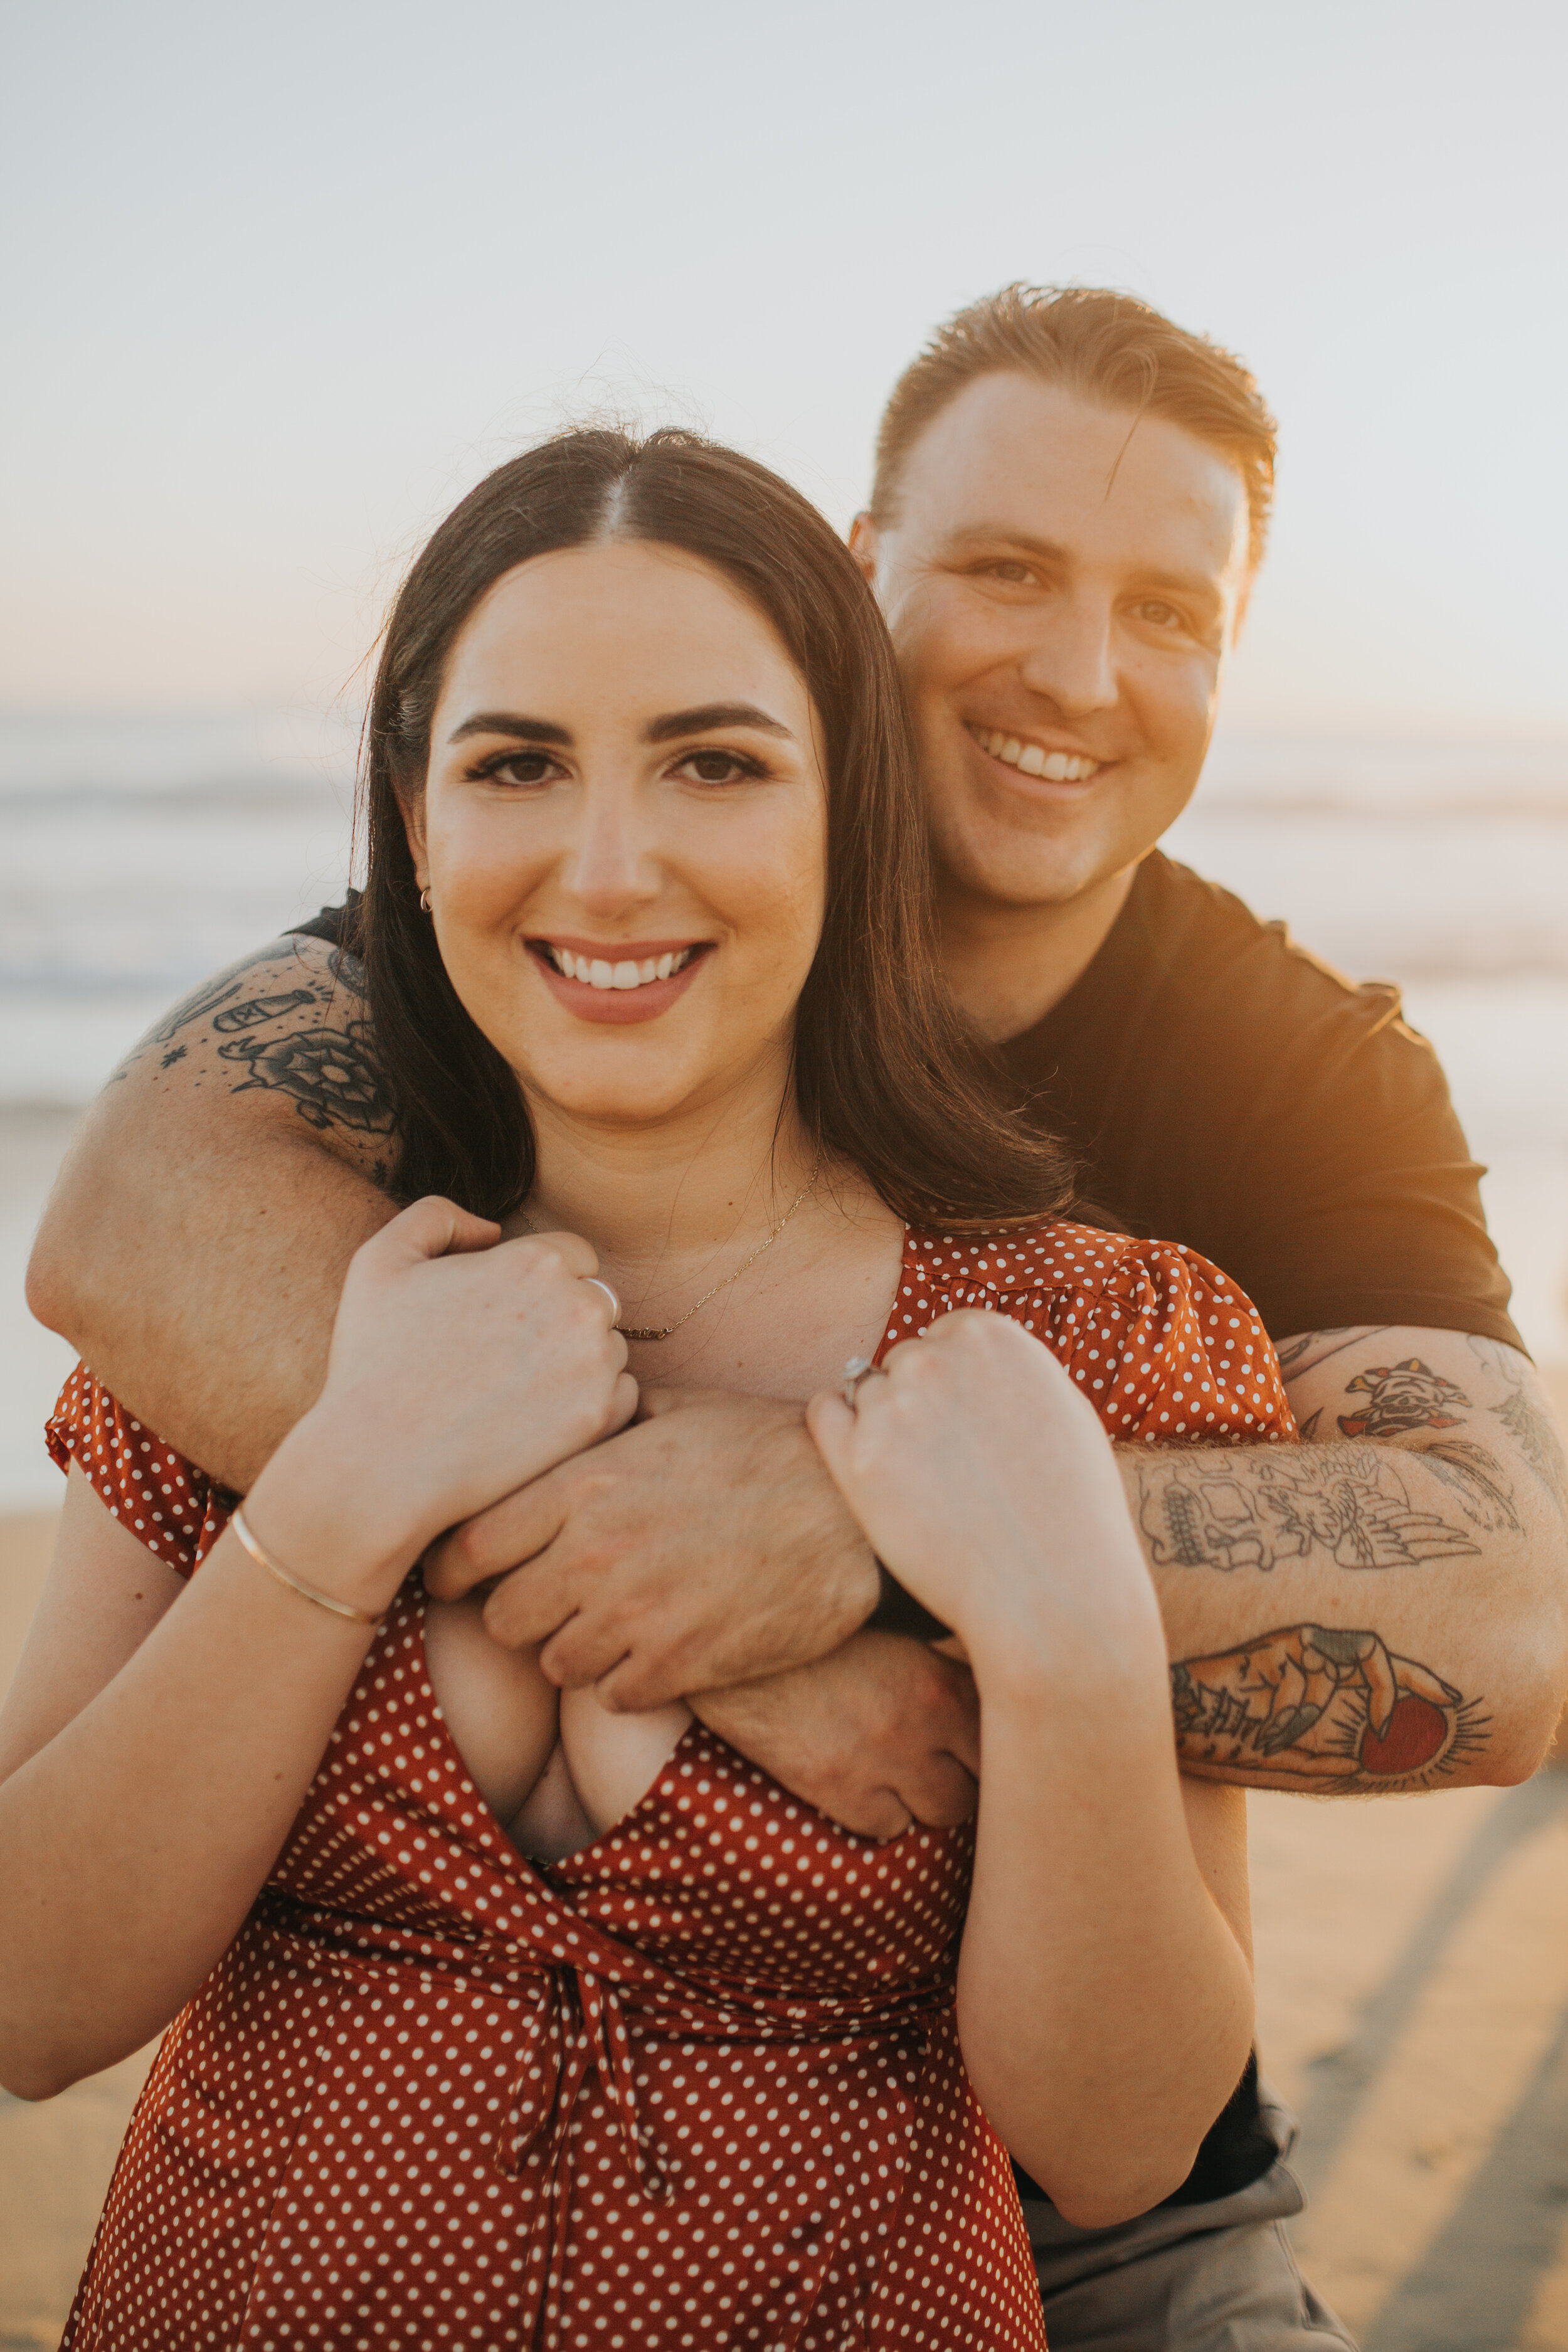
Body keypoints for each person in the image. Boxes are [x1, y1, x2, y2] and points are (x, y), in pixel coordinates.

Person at [28, 290, 1568, 2344]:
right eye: (1007, 569)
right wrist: (564, 1530)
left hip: (1090, 2227)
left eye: (1167, 612)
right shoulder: (466, 996)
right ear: (863, 587)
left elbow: (1508, 1627)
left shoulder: (1236, 1151)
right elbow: (127, 1210)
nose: (1081, 673)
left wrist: (909, 1563)